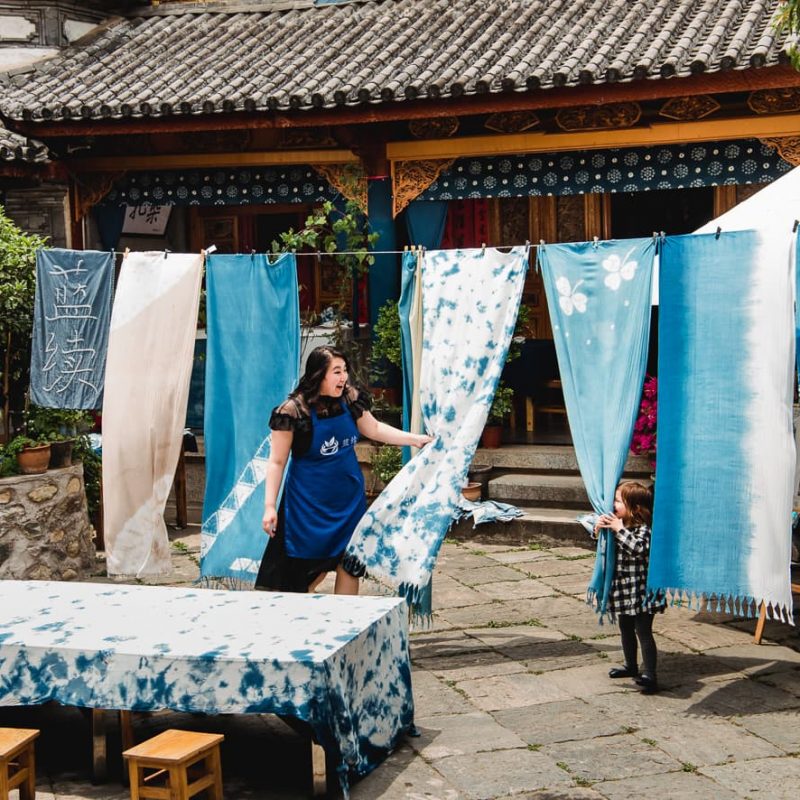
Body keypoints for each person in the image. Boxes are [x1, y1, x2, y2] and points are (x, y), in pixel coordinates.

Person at [255, 345, 433, 595]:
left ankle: (346, 624)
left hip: (349, 502)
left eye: (345, 370)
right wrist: (269, 506)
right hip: (309, 508)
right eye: (336, 371)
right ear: (319, 375)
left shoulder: (349, 398)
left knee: (349, 563)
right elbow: (276, 462)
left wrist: (415, 439)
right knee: (303, 574)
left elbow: (375, 429)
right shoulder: (293, 411)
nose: (343, 377)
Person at [595, 481, 665, 694]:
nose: (614, 504)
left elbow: (639, 549)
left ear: (634, 507)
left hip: (642, 591)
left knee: (643, 630)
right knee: (625, 627)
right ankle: (630, 665)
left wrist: (619, 530)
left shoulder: (644, 529)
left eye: (618, 501)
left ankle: (650, 675)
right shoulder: (618, 524)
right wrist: (598, 530)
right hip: (624, 589)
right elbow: (603, 547)